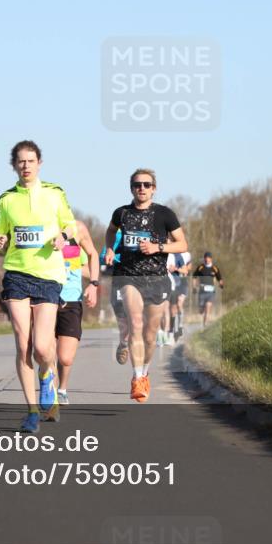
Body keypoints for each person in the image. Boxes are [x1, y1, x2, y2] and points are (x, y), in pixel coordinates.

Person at [0, 140, 76, 433]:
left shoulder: (54, 192)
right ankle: (31, 411)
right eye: (20, 161)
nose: (26, 166)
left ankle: (47, 375)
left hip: (49, 274)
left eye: (31, 160)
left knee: (42, 347)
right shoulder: (5, 200)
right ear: (14, 165)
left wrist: (63, 237)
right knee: (22, 342)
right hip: (16, 273)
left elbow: (69, 224)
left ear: (39, 163)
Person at [104, 169, 188, 402]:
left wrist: (157, 247)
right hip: (128, 276)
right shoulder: (121, 213)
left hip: (157, 279)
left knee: (151, 336)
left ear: (154, 188)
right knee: (136, 323)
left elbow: (182, 244)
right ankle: (137, 376)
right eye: (137, 184)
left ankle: (145, 371)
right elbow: (111, 231)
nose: (142, 188)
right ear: (131, 188)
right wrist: (110, 248)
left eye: (147, 185)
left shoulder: (164, 214)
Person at [55, 220, 100, 405]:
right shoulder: (42, 225)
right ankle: (48, 392)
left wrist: (93, 284)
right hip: (45, 297)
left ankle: (62, 388)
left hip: (71, 298)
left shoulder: (77, 229)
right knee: (45, 352)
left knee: (65, 358)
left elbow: (90, 262)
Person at [103, 229, 132, 365]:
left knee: (135, 317)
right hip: (119, 281)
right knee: (122, 318)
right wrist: (111, 259)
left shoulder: (140, 234)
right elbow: (103, 258)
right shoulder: (114, 236)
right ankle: (124, 343)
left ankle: (131, 342)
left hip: (139, 280)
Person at [192, 252, 224, 327]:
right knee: (201, 310)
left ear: (211, 259)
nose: (207, 259)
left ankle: (205, 324)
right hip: (202, 291)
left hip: (211, 292)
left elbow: (220, 278)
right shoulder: (201, 267)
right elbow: (194, 277)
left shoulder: (215, 268)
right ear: (204, 258)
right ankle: (202, 312)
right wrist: (194, 287)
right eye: (206, 258)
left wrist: (221, 284)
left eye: (208, 258)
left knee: (208, 306)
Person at [168, 252, 192, 342]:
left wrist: (178, 268)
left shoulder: (187, 254)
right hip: (175, 282)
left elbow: (188, 269)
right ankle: (173, 328)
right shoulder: (171, 254)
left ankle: (180, 326)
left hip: (183, 282)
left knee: (179, 304)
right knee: (173, 307)